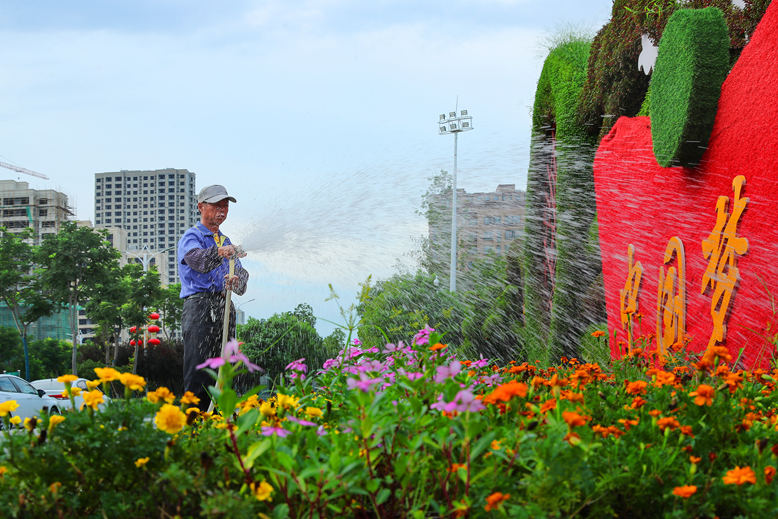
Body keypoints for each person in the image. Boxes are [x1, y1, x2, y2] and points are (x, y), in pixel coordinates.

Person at [178, 184, 249, 404]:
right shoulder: (193, 236)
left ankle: (221, 425)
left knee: (226, 371)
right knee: (200, 372)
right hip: (200, 309)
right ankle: (194, 427)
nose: (222, 210)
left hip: (224, 308)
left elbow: (242, 282)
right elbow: (198, 261)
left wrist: (236, 280)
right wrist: (220, 253)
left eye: (225, 206)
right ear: (201, 207)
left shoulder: (226, 241)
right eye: (217, 205)